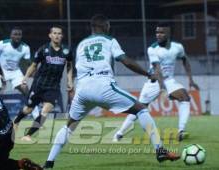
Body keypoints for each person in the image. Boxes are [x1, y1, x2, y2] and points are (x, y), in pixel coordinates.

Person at [43, 14, 180, 169]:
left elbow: (77, 67)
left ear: (92, 28)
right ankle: (160, 150)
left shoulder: (81, 44)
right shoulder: (109, 40)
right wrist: (148, 74)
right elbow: (125, 60)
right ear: (105, 26)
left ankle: (48, 163)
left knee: (69, 127)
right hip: (103, 86)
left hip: (82, 90)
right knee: (141, 110)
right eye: (109, 26)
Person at [113, 22, 199, 142]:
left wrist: (191, 79)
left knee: (184, 97)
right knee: (139, 108)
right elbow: (157, 70)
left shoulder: (178, 47)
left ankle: (181, 130)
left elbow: (185, 60)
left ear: (169, 33)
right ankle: (119, 134)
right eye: (157, 32)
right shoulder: (152, 49)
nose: (158, 35)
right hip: (153, 82)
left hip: (169, 80)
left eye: (161, 32)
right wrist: (163, 89)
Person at [13, 25, 73, 142]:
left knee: (45, 111)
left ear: (62, 36)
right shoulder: (43, 49)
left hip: (53, 87)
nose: (57, 35)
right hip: (39, 85)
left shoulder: (66, 51)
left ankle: (28, 135)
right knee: (28, 109)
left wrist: (70, 80)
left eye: (59, 33)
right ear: (50, 35)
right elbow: (33, 65)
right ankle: (16, 121)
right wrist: (25, 77)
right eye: (54, 33)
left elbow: (69, 66)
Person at [0, 27, 30, 95]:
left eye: (19, 34)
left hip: (15, 72)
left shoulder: (25, 47)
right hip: (1, 71)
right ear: (11, 36)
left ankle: (32, 105)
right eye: (15, 34)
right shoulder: (2, 44)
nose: (17, 36)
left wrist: (25, 77)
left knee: (26, 90)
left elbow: (28, 64)